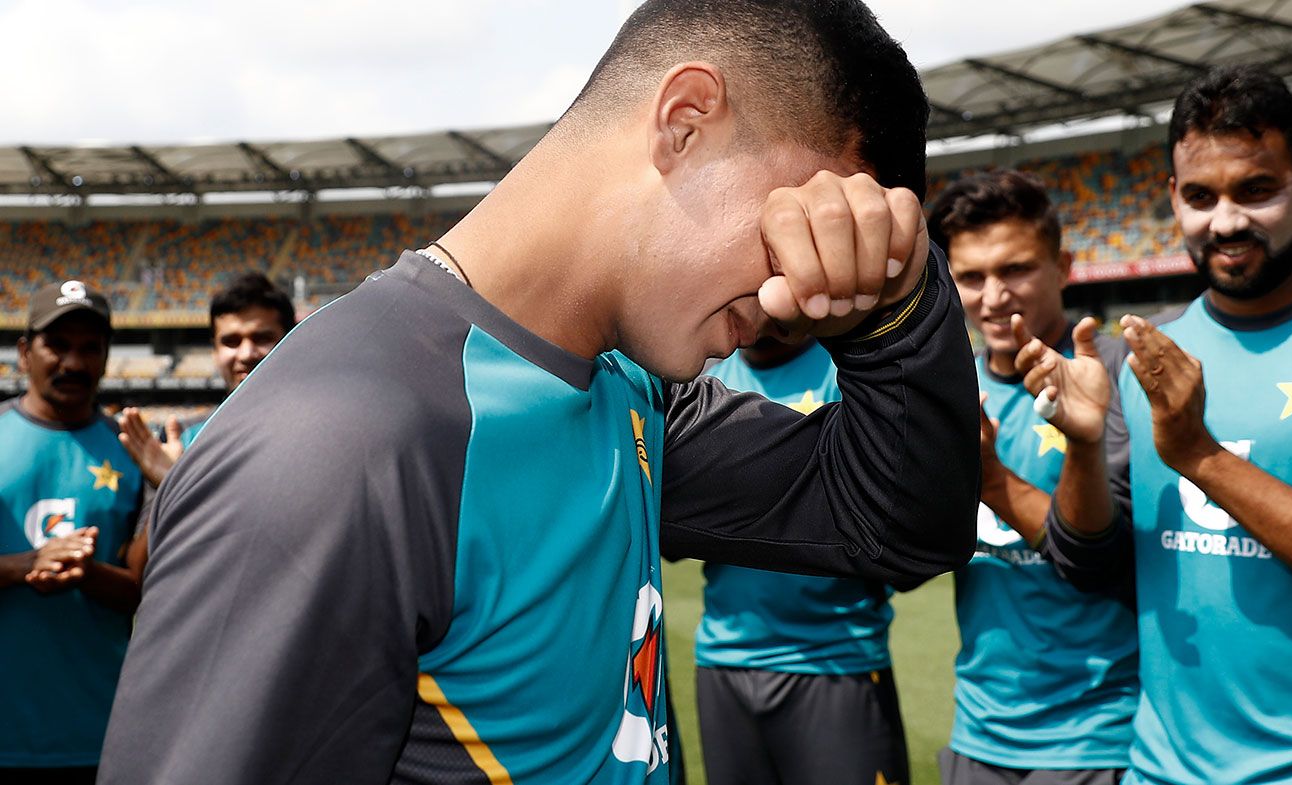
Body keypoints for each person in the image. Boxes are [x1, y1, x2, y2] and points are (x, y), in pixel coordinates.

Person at [97, 2, 981, 784]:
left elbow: (899, 523)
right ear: (684, 120)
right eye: (801, 221)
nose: (799, 283)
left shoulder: (630, 389)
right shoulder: (336, 445)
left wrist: (898, 309)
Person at [1016, 65, 1292, 784]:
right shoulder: (1140, 352)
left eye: (1255, 189)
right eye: (1200, 195)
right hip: (1162, 769)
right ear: (1172, 199)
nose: (1224, 220)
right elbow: (1088, 564)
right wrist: (1086, 449)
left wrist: (1202, 455)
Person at [930, 170, 1137, 785]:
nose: (993, 296)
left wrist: (993, 480)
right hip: (979, 729)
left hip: (1094, 736)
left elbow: (1112, 559)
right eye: (970, 277)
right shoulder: (948, 387)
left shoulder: (1116, 378)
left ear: (1064, 266)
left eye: (1015, 269)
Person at [695, 336, 908, 785]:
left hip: (834, 660)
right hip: (723, 659)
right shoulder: (707, 378)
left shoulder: (849, 373)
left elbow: (900, 526)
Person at [0, 281, 147, 785]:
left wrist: (85, 573)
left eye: (90, 348)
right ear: (25, 353)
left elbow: (141, 592)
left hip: (98, 733)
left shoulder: (131, 453)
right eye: (57, 345)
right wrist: (23, 566)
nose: (74, 362)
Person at [118, 272, 295, 486]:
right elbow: (149, 520)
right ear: (215, 351)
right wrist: (170, 487)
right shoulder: (181, 439)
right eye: (231, 341)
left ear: (291, 341)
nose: (247, 353)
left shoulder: (319, 433)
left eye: (262, 338)